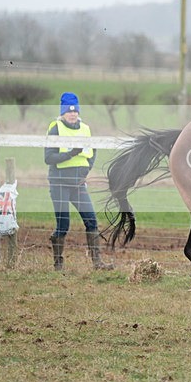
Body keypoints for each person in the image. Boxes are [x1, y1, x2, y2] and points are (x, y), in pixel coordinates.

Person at [44, 92, 113, 271]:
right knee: (63, 225)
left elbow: (92, 151)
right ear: (63, 112)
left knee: (91, 221)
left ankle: (97, 263)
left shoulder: (85, 129)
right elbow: (48, 158)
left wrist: (87, 169)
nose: (73, 114)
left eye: (75, 111)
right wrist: (71, 154)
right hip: (59, 183)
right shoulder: (55, 128)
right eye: (69, 111)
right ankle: (58, 264)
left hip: (78, 183)